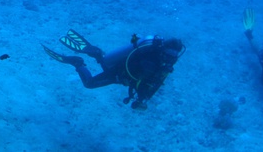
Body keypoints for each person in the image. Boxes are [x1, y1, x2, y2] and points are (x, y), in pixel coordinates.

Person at [43, 29, 185, 110]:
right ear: (162, 51)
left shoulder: (165, 65)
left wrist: (144, 99)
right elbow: (142, 80)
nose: (169, 59)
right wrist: (142, 97)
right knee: (90, 83)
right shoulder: (151, 61)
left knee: (104, 62)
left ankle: (98, 54)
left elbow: (156, 82)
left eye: (173, 58)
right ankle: (78, 62)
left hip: (123, 74)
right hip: (119, 73)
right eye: (167, 55)